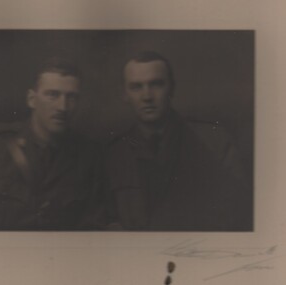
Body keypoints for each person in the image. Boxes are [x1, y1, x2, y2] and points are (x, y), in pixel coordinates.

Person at [106, 51, 252, 231]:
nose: (147, 96)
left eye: (156, 84)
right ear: (125, 95)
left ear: (172, 88)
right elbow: (109, 225)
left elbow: (240, 211)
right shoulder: (113, 155)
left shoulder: (214, 141)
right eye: (136, 87)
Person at [0, 57, 104, 231]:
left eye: (71, 97)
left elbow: (92, 229)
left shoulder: (89, 157)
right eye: (52, 95)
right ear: (32, 99)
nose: (62, 107)